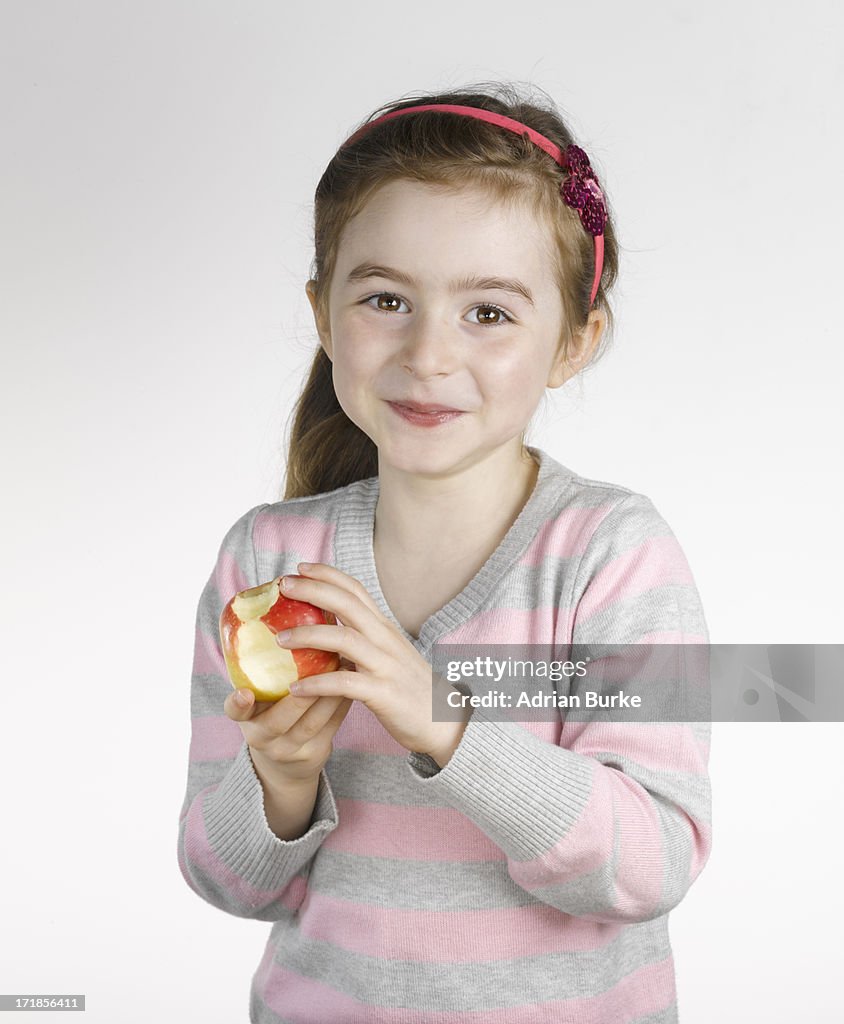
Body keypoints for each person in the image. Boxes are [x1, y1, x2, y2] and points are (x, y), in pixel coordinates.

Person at [178, 82, 712, 1023]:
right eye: (386, 299)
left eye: (490, 313)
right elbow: (228, 884)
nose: (428, 354)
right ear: (321, 309)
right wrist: (282, 783)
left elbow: (653, 862)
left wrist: (443, 721)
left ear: (574, 341)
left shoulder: (613, 556)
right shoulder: (268, 557)